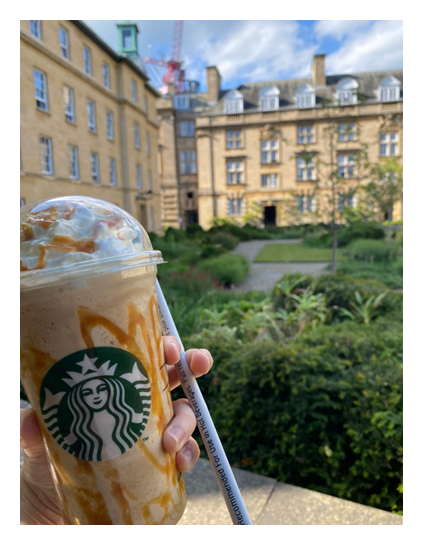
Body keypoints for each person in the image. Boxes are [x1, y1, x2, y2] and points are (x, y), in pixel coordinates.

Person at [20, 336, 213, 525]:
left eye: (101, 389)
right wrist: (32, 509)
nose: (95, 396)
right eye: (87, 392)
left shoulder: (126, 418)